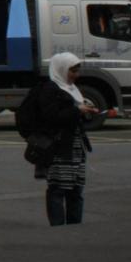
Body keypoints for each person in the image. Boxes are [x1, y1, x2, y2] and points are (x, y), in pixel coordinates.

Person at [25, 51, 98, 225]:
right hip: (59, 147)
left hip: (75, 146)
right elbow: (51, 116)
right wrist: (77, 110)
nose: (76, 75)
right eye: (72, 70)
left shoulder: (72, 89)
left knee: (76, 188)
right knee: (58, 188)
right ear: (61, 69)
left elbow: (72, 116)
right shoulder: (50, 89)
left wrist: (86, 111)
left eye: (77, 70)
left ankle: (75, 226)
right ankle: (58, 228)